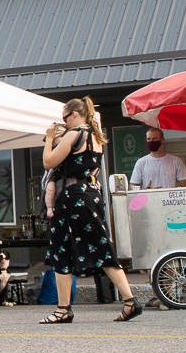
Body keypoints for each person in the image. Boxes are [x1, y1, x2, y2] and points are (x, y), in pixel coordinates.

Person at [42, 97, 143, 324]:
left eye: (64, 118)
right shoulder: (96, 136)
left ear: (75, 114)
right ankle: (125, 301)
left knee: (63, 249)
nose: (64, 122)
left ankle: (66, 309)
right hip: (90, 194)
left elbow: (48, 162)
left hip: (72, 196)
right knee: (93, 246)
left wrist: (49, 139)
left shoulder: (74, 134)